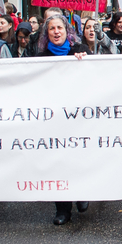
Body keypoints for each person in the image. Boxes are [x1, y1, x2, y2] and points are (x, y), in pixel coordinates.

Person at [34, 15, 90, 225]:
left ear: (67, 31)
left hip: (78, 116)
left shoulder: (80, 50)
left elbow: (96, 76)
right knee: (58, 161)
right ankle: (63, 209)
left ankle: (82, 193)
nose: (56, 32)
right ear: (46, 33)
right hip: (53, 118)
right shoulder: (40, 56)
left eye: (60, 28)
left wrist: (86, 60)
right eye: (52, 29)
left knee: (78, 157)